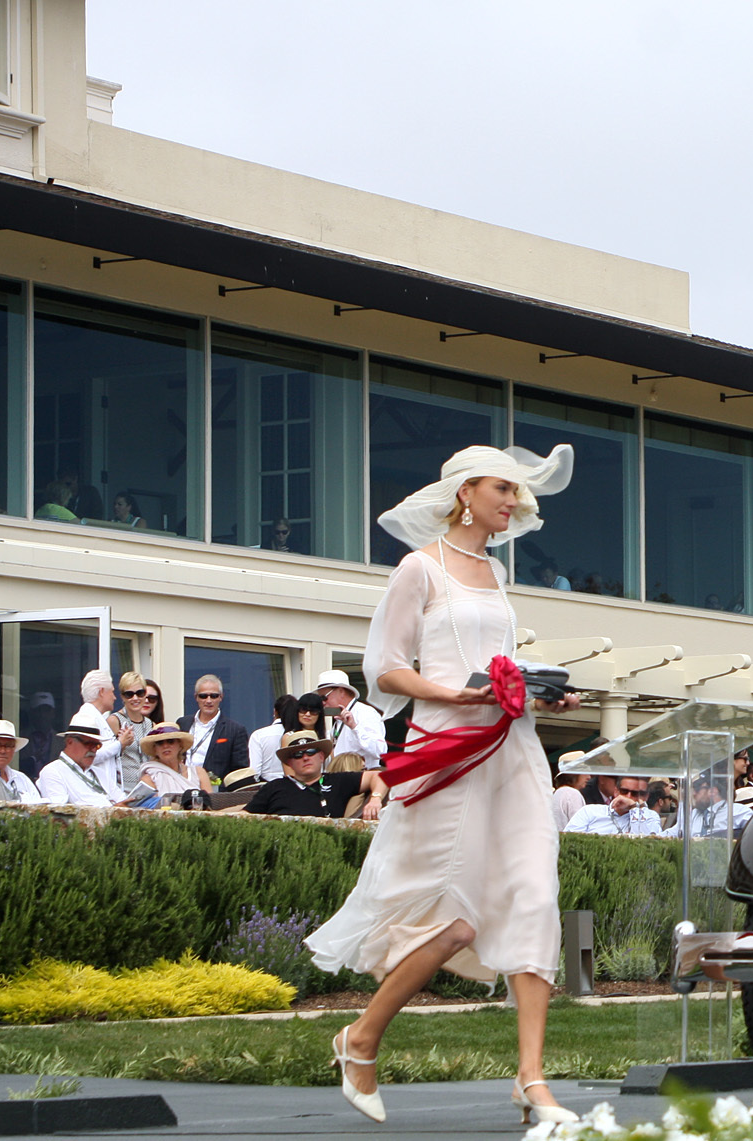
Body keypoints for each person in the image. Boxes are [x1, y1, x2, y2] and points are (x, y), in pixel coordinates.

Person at [305, 443, 580, 1127]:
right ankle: (361, 1038)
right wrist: (456, 696)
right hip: (447, 751)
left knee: (536, 895)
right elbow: (386, 668)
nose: (512, 501)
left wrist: (538, 694)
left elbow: (499, 666)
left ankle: (532, 1079)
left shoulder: (495, 572)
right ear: (465, 491)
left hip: (513, 749)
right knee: (454, 920)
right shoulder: (417, 569)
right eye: (501, 488)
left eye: (515, 492)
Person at [245, 731, 386, 819]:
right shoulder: (274, 787)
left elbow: (380, 776)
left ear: (321, 756)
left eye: (311, 752)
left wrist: (375, 798)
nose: (305, 758)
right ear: (290, 763)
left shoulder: (338, 780)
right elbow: (245, 815)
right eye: (298, 755)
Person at [36, 722, 125, 805]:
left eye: (97, 746)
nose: (94, 750)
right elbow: (58, 812)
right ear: (70, 742)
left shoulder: (99, 772)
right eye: (89, 744)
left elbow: (123, 800)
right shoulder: (53, 771)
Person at [185, 675, 248, 783]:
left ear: (221, 697)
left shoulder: (235, 730)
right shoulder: (183, 723)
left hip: (214, 792)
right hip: (182, 786)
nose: (208, 701)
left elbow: (239, 771)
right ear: (196, 697)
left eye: (213, 696)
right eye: (203, 696)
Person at [319, 670, 386, 771]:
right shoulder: (339, 719)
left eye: (324, 697)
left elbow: (380, 750)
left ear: (341, 691)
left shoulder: (365, 713)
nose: (322, 702)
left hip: (361, 777)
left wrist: (354, 727)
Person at [69, 670, 126, 783]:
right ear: (102, 691)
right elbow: (86, 755)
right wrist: (120, 744)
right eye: (112, 692)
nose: (114, 698)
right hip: (95, 791)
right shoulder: (85, 717)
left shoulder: (96, 717)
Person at [137, 721, 213, 801]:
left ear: (180, 745)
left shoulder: (199, 773)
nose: (165, 746)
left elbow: (211, 804)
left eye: (170, 741)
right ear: (155, 749)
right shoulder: (149, 778)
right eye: (160, 743)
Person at [565, 775, 663, 835]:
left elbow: (649, 844)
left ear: (646, 796)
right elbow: (570, 839)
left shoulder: (651, 816)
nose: (628, 797)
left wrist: (634, 807)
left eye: (635, 794)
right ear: (616, 791)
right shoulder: (589, 811)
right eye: (624, 791)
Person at [662, 773, 751, 837]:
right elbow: (674, 832)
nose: (693, 793)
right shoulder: (694, 814)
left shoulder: (739, 812)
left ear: (713, 791)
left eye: (697, 789)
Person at [250, 694, 303, 783]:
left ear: (275, 712)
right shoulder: (302, 735)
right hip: (297, 786)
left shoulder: (259, 735)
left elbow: (255, 772)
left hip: (268, 787)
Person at [550, 753, 588, 831]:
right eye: (584, 771)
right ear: (574, 774)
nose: (589, 777)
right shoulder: (572, 794)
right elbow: (579, 828)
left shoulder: (558, 793)